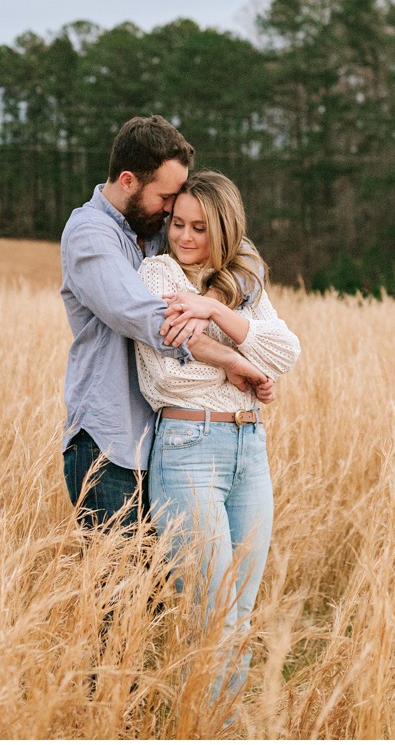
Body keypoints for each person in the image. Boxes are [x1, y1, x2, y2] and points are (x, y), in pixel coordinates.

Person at [59, 118, 274, 532]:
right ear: (128, 181)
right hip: (110, 445)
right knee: (120, 592)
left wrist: (209, 302)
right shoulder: (89, 234)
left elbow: (244, 258)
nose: (173, 209)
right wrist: (230, 359)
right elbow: (150, 319)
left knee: (165, 594)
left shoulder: (155, 227)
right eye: (166, 197)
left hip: (171, 444)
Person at [134, 171, 300, 696]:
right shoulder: (157, 273)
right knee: (211, 613)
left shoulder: (241, 285)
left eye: (199, 228)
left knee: (239, 613)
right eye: (177, 224)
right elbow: (169, 373)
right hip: (188, 448)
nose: (184, 237)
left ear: (224, 230)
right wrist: (237, 361)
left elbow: (285, 354)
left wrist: (213, 310)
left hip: (251, 450)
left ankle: (220, 727)